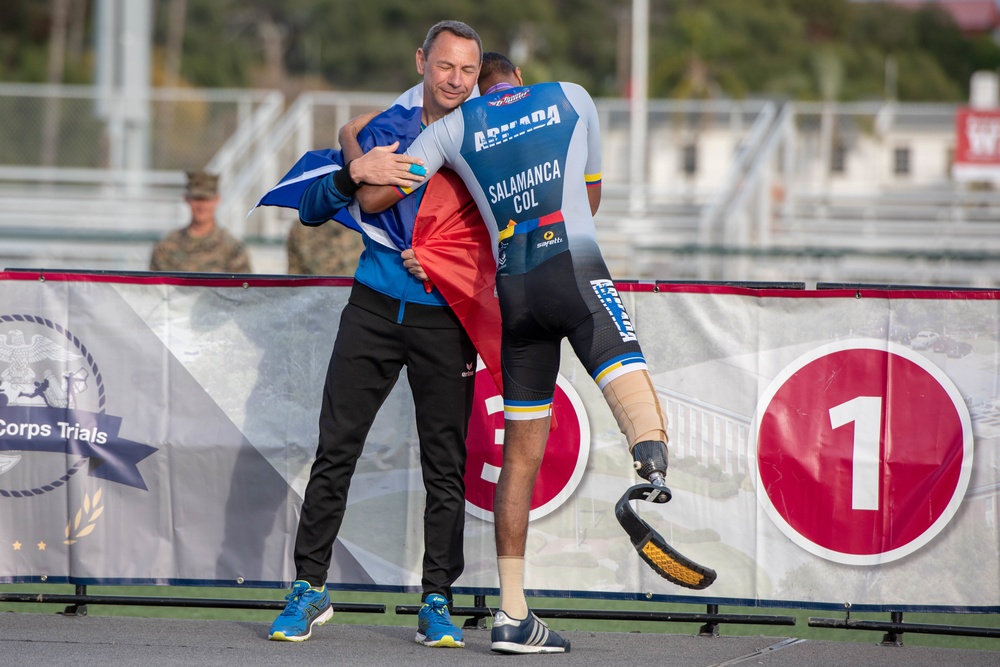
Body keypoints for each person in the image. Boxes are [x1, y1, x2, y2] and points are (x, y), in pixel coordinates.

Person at [357, 52, 672, 655]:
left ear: (477, 87)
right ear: (521, 80)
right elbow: (593, 199)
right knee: (621, 365)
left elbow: (374, 196)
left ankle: (512, 613)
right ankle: (652, 466)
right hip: (572, 271)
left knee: (521, 457)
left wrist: (355, 147)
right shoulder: (573, 94)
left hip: (515, 298)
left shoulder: (453, 128)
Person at [267, 20, 484, 648]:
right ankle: (310, 588)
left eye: (467, 70)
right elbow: (315, 210)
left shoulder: (488, 137)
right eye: (445, 66)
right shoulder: (382, 128)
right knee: (336, 450)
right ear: (421, 61)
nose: (456, 80)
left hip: (446, 319)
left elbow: (510, 231)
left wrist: (452, 263)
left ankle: (437, 600)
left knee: (445, 467)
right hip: (372, 308)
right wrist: (352, 167)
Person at [149, 170, 253, 273]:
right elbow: (155, 287)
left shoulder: (232, 250)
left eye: (206, 200)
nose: (201, 206)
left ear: (217, 200)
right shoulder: (166, 247)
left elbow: (242, 287)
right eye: (197, 199)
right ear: (186, 199)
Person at [286, 219, 365, 275]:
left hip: (361, 294)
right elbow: (295, 279)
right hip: (318, 295)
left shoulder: (369, 225)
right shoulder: (300, 229)